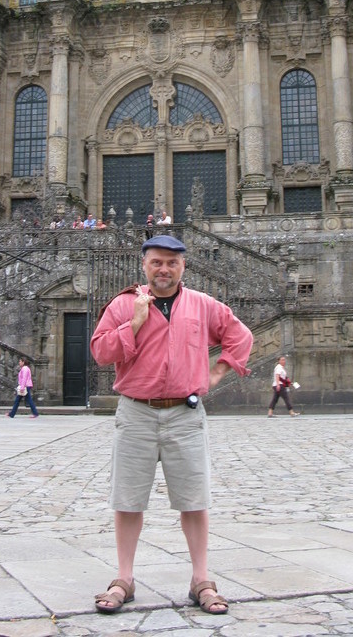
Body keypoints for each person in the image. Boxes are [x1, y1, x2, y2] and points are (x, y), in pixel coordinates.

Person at [90, 234, 253, 615]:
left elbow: (240, 336)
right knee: (128, 500)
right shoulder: (123, 304)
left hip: (185, 413)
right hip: (136, 412)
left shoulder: (203, 305)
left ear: (183, 267)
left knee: (194, 501)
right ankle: (124, 578)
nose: (164, 269)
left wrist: (218, 372)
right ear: (144, 266)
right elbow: (100, 352)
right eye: (157, 262)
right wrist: (133, 324)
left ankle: (201, 579)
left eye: (172, 263)